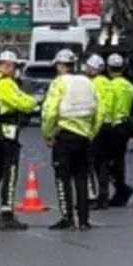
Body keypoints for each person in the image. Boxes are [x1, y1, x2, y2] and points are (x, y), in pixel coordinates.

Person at [0, 50, 38, 231]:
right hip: (6, 134)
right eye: (14, 66)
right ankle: (7, 216)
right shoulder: (5, 84)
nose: (15, 70)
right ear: (8, 66)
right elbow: (22, 103)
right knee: (9, 174)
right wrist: (34, 102)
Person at [41, 49, 99, 231]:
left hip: (64, 135)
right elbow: (99, 110)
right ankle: (84, 219)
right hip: (84, 137)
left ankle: (67, 218)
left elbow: (50, 111)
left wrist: (47, 133)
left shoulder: (59, 83)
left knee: (62, 178)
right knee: (81, 178)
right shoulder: (87, 82)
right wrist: (91, 133)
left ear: (60, 65)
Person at [104, 53, 133, 207]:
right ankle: (121, 191)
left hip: (114, 125)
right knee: (119, 160)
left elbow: (108, 107)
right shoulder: (130, 86)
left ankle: (122, 189)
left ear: (109, 69)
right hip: (126, 124)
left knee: (105, 161)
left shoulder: (110, 86)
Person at [83, 54, 112, 208]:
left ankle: (93, 196)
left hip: (97, 125)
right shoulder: (108, 82)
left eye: (88, 67)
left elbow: (95, 105)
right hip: (109, 125)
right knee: (103, 163)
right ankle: (104, 195)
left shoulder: (92, 84)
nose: (85, 69)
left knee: (90, 162)